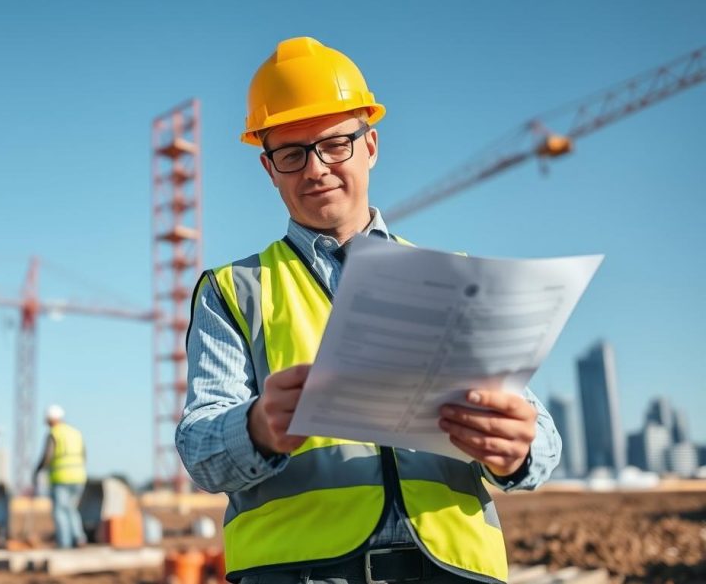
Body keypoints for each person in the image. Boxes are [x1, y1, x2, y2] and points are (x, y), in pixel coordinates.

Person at [176, 37, 562, 584]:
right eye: (292, 153)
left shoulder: (452, 278)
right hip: (298, 570)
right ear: (269, 169)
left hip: (454, 568)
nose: (316, 170)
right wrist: (257, 426)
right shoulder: (233, 290)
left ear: (371, 145)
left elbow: (540, 440)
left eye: (335, 144)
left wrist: (517, 449)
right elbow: (199, 448)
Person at [33, 404, 87, 548]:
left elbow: (47, 456)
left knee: (60, 511)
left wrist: (37, 471)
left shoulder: (54, 433)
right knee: (72, 509)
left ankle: (64, 543)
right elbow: (84, 455)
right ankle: (79, 537)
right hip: (79, 477)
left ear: (50, 419)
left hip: (61, 478)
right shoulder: (75, 433)